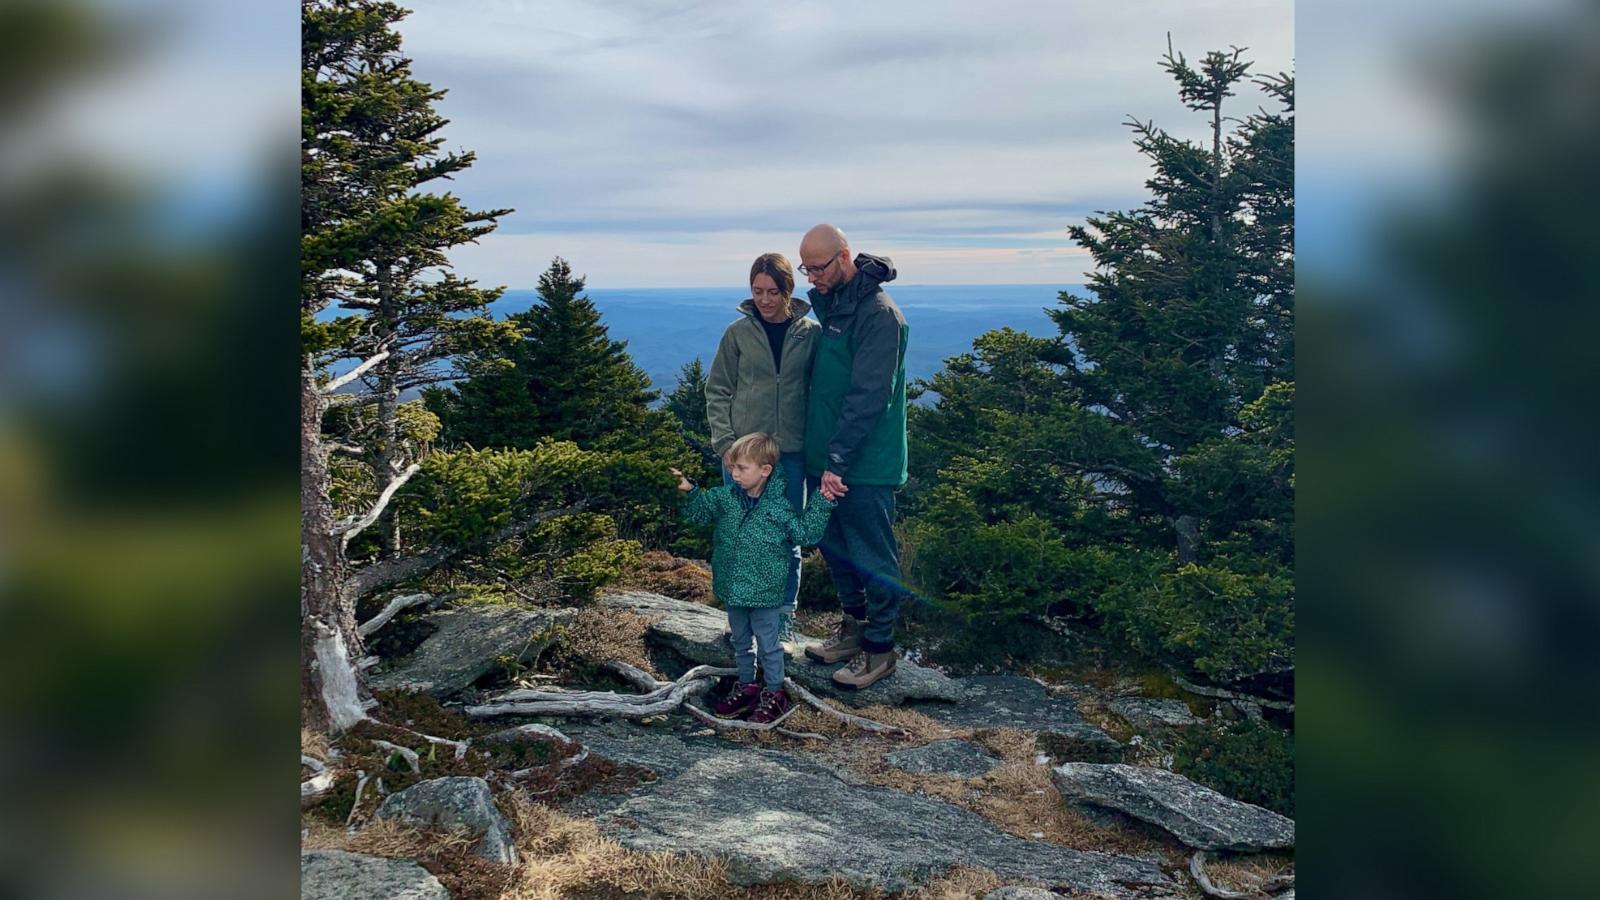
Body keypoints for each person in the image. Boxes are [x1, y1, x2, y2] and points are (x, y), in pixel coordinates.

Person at [796, 224, 909, 690]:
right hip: (828, 459)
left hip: (862, 465)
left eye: (818, 268)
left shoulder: (879, 315)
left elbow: (868, 397)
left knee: (871, 553)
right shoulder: (839, 304)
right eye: (806, 268)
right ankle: (854, 630)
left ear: (844, 257)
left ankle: (880, 651)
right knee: (834, 544)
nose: (812, 278)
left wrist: (838, 463)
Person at [672, 432, 837, 722]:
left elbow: (805, 534)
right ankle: (747, 685)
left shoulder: (779, 509)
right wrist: (688, 489)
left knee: (769, 646)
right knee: (740, 641)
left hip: (765, 594)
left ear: (765, 470)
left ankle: (775, 692)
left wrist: (821, 503)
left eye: (741, 468)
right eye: (732, 468)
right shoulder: (724, 499)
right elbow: (697, 513)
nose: (733, 474)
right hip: (734, 590)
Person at [705, 253, 819, 644]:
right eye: (758, 291)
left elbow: (820, 393)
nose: (765, 299)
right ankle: (739, 620)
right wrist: (724, 442)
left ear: (788, 290)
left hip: (789, 454)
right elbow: (717, 389)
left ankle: (783, 617)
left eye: (773, 291)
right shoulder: (737, 333)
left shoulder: (810, 333)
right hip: (742, 455)